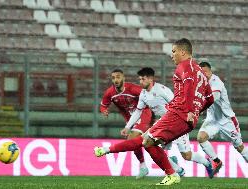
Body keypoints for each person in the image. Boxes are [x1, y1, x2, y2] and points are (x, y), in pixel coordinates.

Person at [95, 38, 214, 185]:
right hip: (184, 118)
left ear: (183, 52)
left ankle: (173, 173)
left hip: (177, 115)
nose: (172, 55)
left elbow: (188, 85)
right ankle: (174, 170)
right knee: (148, 141)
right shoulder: (200, 71)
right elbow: (210, 99)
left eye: (174, 51)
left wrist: (190, 110)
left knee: (155, 144)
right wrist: (196, 111)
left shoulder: (183, 67)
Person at [100, 68, 152, 179]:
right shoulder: (110, 93)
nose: (115, 80)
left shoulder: (133, 89)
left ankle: (144, 166)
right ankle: (170, 164)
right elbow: (103, 104)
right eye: (113, 78)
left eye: (118, 77)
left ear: (123, 77)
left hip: (143, 114)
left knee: (131, 139)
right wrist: (104, 110)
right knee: (140, 143)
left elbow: (148, 94)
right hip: (130, 120)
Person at [198, 61, 248, 176]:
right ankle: (216, 161)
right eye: (202, 73)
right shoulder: (201, 84)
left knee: (239, 147)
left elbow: (212, 99)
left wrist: (199, 109)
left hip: (227, 121)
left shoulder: (216, 82)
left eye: (206, 72)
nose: (204, 74)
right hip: (212, 120)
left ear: (210, 71)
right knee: (201, 137)